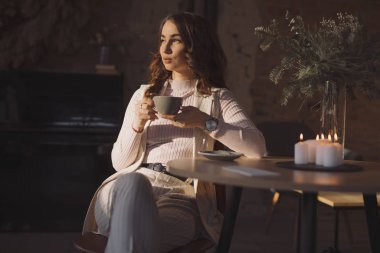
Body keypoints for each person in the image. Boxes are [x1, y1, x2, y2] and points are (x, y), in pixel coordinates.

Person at [81, 12, 266, 253]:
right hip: (125, 188)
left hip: (180, 196)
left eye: (175, 40)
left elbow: (257, 148)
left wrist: (206, 122)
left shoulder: (217, 99)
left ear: (195, 45)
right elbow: (120, 163)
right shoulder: (143, 95)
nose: (165, 48)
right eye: (162, 39)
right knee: (133, 183)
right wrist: (138, 123)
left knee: (133, 231)